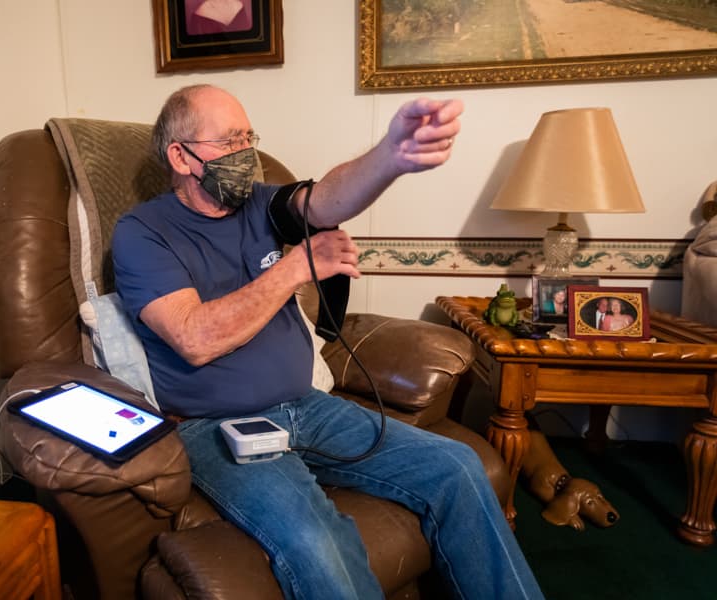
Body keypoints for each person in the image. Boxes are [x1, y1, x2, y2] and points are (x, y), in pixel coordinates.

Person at [112, 84, 544, 600]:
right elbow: (195, 338)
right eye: (229, 142)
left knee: (457, 466)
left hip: (309, 408)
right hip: (218, 427)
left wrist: (391, 155)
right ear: (180, 156)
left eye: (249, 137)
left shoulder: (261, 205)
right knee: (315, 539)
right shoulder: (143, 232)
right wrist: (295, 267)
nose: (246, 154)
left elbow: (326, 197)